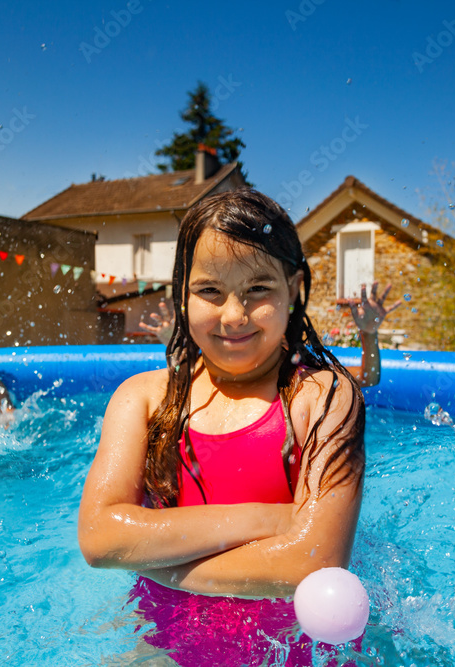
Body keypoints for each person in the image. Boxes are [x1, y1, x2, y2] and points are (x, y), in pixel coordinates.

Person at [79, 189, 366, 663]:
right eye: (210, 291)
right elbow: (99, 536)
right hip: (166, 645)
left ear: (293, 290)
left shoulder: (322, 399)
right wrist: (269, 519)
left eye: (258, 290)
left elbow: (313, 558)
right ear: (182, 292)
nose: (233, 316)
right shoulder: (144, 399)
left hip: (292, 651)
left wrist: (162, 565)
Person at [142, 281, 400, 387]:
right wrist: (175, 344)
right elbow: (179, 382)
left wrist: (368, 334)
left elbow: (369, 377)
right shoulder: (211, 370)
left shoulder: (304, 378)